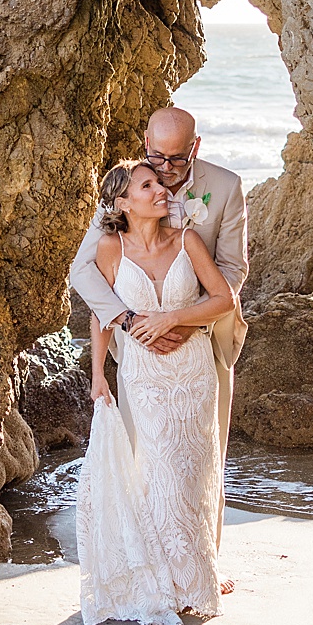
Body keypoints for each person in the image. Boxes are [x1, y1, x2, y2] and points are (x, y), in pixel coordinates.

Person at [75, 157, 236, 625]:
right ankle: (164, 578)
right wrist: (99, 375)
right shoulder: (108, 248)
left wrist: (174, 319)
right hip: (143, 376)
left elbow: (223, 298)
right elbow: (99, 312)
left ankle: (195, 576)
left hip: (193, 373)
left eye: (160, 183)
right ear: (123, 202)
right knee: (158, 471)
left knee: (193, 470)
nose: (161, 190)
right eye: (148, 185)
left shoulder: (186, 238)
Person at [66, 105, 249, 455]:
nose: (165, 169)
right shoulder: (128, 186)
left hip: (204, 342)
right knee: (145, 461)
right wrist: (129, 320)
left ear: (195, 147)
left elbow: (232, 269)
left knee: (206, 460)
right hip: (140, 349)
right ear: (146, 142)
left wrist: (187, 322)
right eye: (157, 156)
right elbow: (84, 269)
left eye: (177, 159)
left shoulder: (227, 187)